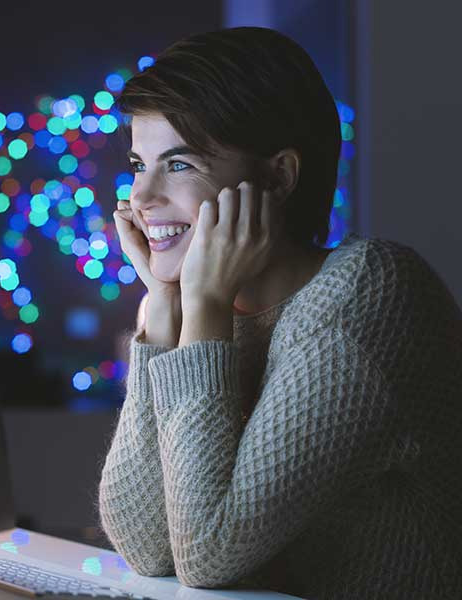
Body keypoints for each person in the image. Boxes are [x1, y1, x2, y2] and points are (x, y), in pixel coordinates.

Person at [97, 26, 462, 600]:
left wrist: (206, 305)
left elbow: (207, 553)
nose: (141, 198)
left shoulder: (368, 293)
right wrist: (165, 309)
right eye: (139, 164)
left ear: (277, 177)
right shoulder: (202, 310)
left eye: (180, 165)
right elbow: (146, 546)